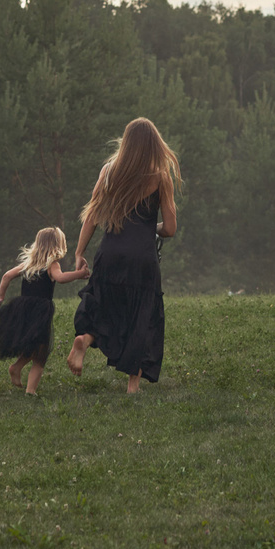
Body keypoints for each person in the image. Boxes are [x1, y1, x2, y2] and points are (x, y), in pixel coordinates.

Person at [68, 118, 181, 394]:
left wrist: (79, 251)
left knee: (106, 306)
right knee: (141, 317)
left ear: (127, 143)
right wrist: (147, 229)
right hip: (141, 259)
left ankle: (84, 339)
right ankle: (133, 385)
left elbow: (92, 216)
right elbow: (170, 228)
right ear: (154, 144)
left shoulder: (108, 171)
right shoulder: (160, 177)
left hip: (110, 254)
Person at [0, 226, 88, 395]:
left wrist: (0, 297)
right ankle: (30, 391)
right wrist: (79, 274)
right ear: (58, 245)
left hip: (23, 310)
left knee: (31, 345)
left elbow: (6, 276)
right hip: (40, 313)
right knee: (40, 354)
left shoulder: (29, 264)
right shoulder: (52, 264)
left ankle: (16, 367)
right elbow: (60, 279)